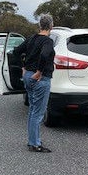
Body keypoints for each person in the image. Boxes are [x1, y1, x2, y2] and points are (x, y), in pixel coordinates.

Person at [13, 14, 55, 153]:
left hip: (28, 77)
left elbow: (16, 51)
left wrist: (23, 67)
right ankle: (35, 144)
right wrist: (39, 71)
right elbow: (44, 55)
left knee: (32, 110)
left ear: (39, 26)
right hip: (40, 79)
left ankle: (32, 140)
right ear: (51, 26)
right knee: (38, 112)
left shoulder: (31, 38)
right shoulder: (47, 41)